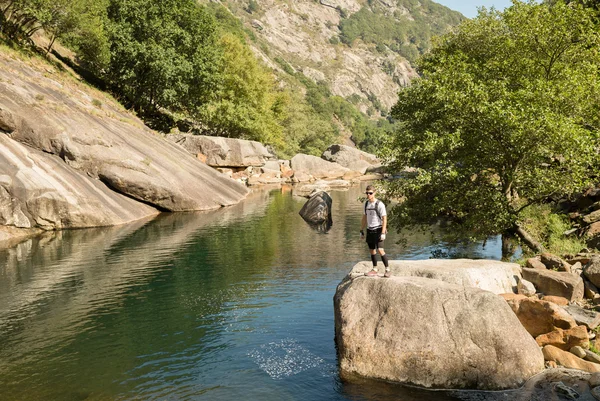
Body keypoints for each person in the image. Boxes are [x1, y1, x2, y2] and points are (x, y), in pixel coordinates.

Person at [360, 185, 390, 277]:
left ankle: (387, 269)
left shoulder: (380, 204)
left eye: (370, 193)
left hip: (378, 229)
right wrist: (361, 230)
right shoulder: (366, 204)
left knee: (380, 250)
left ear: (374, 193)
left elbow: (384, 219)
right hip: (370, 230)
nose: (368, 195)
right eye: (367, 193)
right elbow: (364, 218)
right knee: (372, 251)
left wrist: (383, 232)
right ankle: (375, 269)